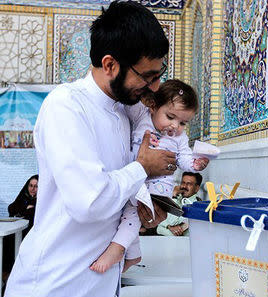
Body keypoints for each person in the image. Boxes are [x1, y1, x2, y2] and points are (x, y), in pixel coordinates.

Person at [5, 2, 177, 297]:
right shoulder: (67, 105)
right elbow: (90, 202)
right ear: (110, 65)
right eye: (147, 77)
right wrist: (142, 168)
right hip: (56, 283)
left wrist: (151, 204)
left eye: (158, 75)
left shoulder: (126, 111)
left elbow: (122, 190)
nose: (154, 86)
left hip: (101, 281)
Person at [90, 79, 209, 272]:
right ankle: (134, 254)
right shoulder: (142, 116)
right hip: (134, 175)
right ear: (153, 107)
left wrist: (196, 164)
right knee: (126, 212)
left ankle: (118, 248)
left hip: (158, 185)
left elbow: (185, 159)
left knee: (134, 212)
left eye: (182, 122)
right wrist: (145, 90)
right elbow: (126, 101)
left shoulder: (180, 138)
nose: (175, 126)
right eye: (170, 117)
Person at [157, 172, 203, 236]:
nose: (184, 186)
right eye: (183, 183)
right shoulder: (177, 199)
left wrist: (174, 196)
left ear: (197, 188)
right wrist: (169, 227)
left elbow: (172, 225)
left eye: (189, 184)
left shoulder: (197, 206)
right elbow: (158, 228)